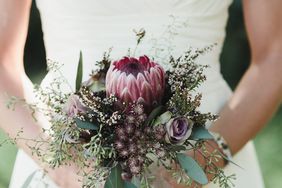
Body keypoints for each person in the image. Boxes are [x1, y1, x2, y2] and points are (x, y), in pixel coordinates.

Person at [0, 0, 281, 187]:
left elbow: (274, 54)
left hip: (209, 155)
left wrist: (208, 155)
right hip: (64, 161)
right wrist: (62, 166)